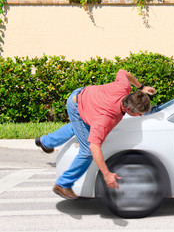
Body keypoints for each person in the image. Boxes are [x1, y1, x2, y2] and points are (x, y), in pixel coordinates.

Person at [35, 69, 156, 200]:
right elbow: (94, 147)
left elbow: (122, 72)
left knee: (77, 127)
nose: (140, 116)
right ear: (127, 108)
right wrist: (107, 174)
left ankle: (45, 141)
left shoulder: (124, 88)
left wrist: (142, 87)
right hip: (77, 105)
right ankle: (63, 184)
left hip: (85, 96)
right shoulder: (105, 118)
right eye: (138, 113)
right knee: (86, 150)